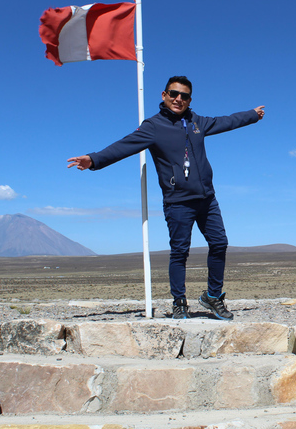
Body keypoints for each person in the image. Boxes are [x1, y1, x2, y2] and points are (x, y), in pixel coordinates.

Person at [67, 76, 265, 320]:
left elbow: (226, 121)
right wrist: (94, 159)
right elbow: (123, 146)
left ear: (189, 100)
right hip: (178, 202)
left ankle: (213, 297)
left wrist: (252, 115)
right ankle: (179, 302)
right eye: (173, 94)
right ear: (164, 95)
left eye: (184, 96)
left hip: (207, 199)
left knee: (219, 243)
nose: (178, 99)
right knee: (180, 251)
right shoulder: (153, 126)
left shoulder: (197, 122)